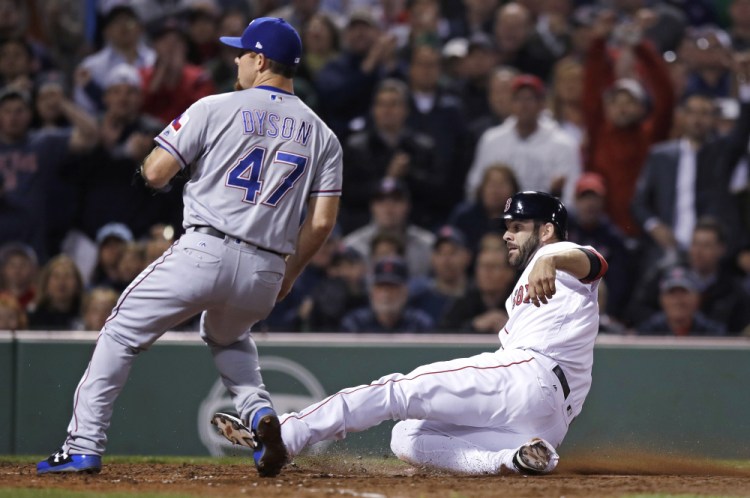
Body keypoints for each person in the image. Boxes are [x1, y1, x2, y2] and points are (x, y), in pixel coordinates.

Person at [37, 17, 343, 479]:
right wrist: (290, 274)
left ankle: (83, 445)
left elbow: (157, 172)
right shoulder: (324, 136)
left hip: (206, 248)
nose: (236, 61)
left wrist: (150, 166)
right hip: (265, 269)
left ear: (260, 60)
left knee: (120, 333)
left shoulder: (214, 107)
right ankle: (260, 416)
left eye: (241, 53)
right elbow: (320, 224)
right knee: (229, 337)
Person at [213, 191, 608, 476]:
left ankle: (287, 434)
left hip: (531, 375)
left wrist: (554, 256)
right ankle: (514, 460)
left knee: (397, 391)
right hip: (546, 425)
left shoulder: (560, 259)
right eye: (507, 227)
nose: (507, 235)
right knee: (406, 438)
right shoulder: (531, 281)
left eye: (517, 227)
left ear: (546, 231)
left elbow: (594, 262)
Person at [465, 74, 581, 207]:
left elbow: (571, 196)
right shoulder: (492, 139)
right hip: (499, 219)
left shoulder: (563, 143)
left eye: (530, 99)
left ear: (542, 103)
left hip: (545, 220)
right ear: (511, 103)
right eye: (518, 99)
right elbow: (474, 186)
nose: (524, 105)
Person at [340, 256, 434, 333]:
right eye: (381, 287)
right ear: (372, 292)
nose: (386, 294)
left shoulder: (419, 324)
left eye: (392, 287)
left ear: (405, 292)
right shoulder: (356, 323)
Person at [635, 265, 726, 336]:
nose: (678, 300)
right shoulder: (647, 332)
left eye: (684, 292)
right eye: (672, 293)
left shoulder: (713, 333)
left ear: (697, 298)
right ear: (662, 299)